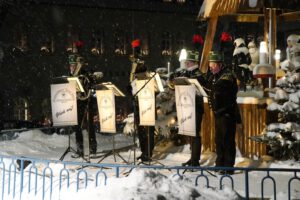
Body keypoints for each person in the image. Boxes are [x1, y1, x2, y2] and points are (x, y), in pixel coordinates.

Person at [198, 51, 241, 174]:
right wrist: (199, 80)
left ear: (220, 64)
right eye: (210, 64)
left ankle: (228, 167)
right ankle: (220, 164)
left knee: (227, 140)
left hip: (228, 112)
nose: (210, 67)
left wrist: (208, 86)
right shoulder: (215, 75)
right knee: (219, 139)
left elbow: (220, 88)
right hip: (219, 113)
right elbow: (208, 85)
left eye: (213, 64)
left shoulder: (227, 75)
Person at [175, 50, 204, 167]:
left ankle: (195, 160)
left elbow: (200, 89)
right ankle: (192, 158)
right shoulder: (188, 73)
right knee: (190, 134)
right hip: (188, 107)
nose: (186, 64)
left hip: (196, 107)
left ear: (194, 62)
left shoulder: (198, 74)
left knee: (195, 133)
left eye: (189, 62)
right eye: (186, 62)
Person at [129, 39, 155, 162]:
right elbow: (131, 84)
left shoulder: (144, 69)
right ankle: (144, 151)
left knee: (148, 129)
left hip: (147, 101)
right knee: (140, 129)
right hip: (138, 102)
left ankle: (149, 153)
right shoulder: (134, 70)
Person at [68, 53, 97, 157]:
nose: (71, 67)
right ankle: (80, 150)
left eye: (73, 65)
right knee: (77, 127)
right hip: (76, 103)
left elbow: (90, 87)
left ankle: (93, 148)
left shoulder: (85, 74)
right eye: (70, 65)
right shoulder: (71, 76)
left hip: (87, 102)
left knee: (90, 126)